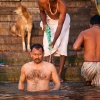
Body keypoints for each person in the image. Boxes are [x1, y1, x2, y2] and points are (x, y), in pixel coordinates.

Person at [38, 0, 70, 82]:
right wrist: (44, 23)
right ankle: (49, 73)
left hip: (62, 22)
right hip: (48, 20)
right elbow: (42, 12)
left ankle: (59, 75)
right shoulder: (42, 1)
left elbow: (60, 26)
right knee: (46, 46)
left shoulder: (62, 5)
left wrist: (54, 41)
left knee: (63, 46)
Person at [73, 15, 100, 86]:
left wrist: (83, 46)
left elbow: (75, 47)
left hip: (88, 66)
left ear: (90, 25)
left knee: (87, 87)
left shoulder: (84, 33)